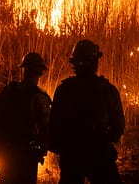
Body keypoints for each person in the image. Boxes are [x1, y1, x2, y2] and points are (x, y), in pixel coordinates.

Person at [49, 39, 125, 184]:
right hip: (99, 154)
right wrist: (105, 140)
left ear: (74, 63)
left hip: (71, 155)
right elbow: (119, 126)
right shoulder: (107, 90)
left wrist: (62, 147)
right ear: (95, 62)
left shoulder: (64, 90)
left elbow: (54, 125)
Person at [0, 52, 52, 184]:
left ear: (24, 70)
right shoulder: (39, 98)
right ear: (40, 73)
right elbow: (46, 127)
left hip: (5, 152)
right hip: (27, 156)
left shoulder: (9, 90)